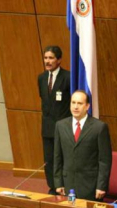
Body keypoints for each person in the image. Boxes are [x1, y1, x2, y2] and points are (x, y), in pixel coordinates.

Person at [54, 90, 112, 201]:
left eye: (80, 103)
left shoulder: (99, 127)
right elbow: (57, 156)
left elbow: (104, 160)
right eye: (73, 102)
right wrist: (58, 183)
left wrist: (101, 186)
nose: (75, 107)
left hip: (90, 186)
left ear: (87, 106)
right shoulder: (60, 126)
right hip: (67, 184)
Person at [38, 45, 71, 195]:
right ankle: (52, 187)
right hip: (47, 127)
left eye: (51, 58)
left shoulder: (68, 77)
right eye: (46, 58)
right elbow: (45, 101)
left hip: (63, 127)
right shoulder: (42, 78)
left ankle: (63, 186)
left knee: (62, 159)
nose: (48, 61)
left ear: (59, 60)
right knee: (49, 160)